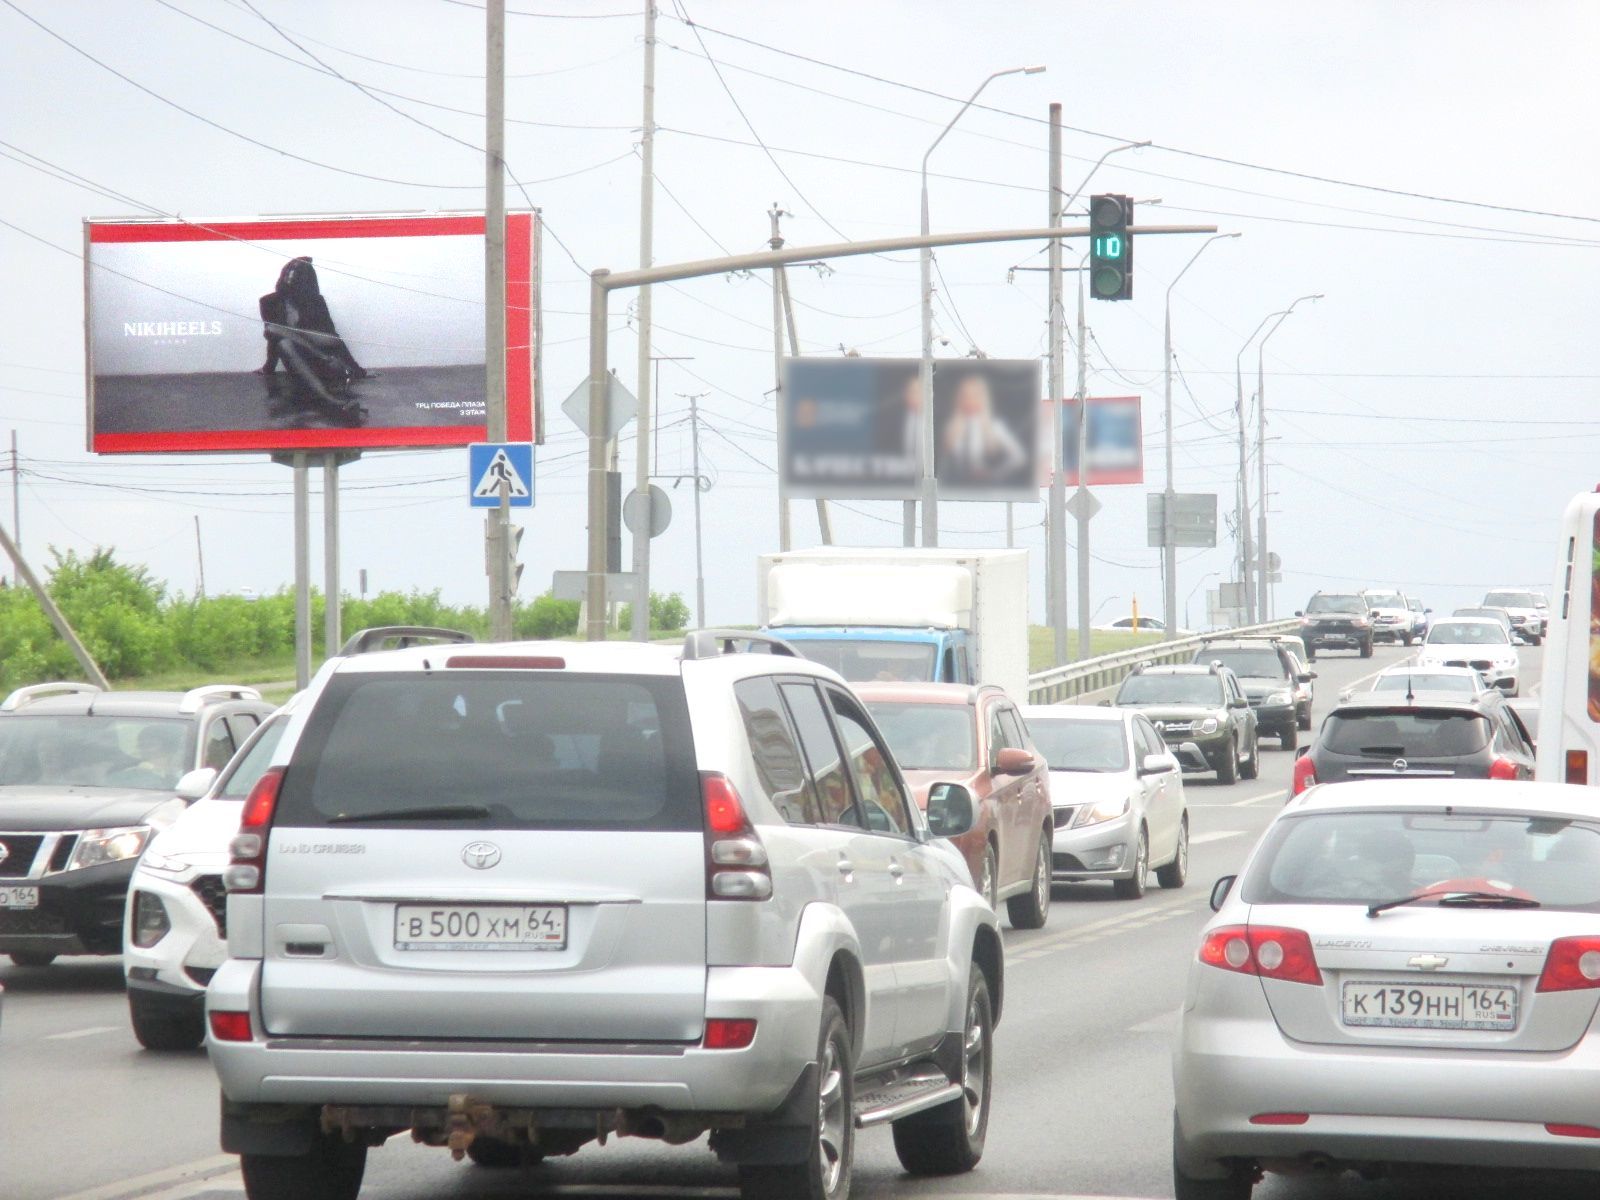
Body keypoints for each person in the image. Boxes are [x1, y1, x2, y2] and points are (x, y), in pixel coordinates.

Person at [256, 257, 371, 409]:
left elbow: (333, 337)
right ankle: (329, 398)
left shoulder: (316, 300)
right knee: (281, 339)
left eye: (296, 274)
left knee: (278, 331)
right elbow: (273, 340)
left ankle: (321, 358)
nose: (289, 277)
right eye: (288, 272)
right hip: (301, 356)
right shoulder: (268, 301)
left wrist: (357, 369)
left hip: (317, 354)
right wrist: (268, 367)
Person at [939, 371, 1028, 484]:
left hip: (984, 486)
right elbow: (941, 466)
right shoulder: (951, 427)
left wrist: (994, 474)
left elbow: (1019, 457)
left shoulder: (994, 426)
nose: (970, 400)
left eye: (975, 395)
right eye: (966, 396)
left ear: (983, 398)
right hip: (956, 486)